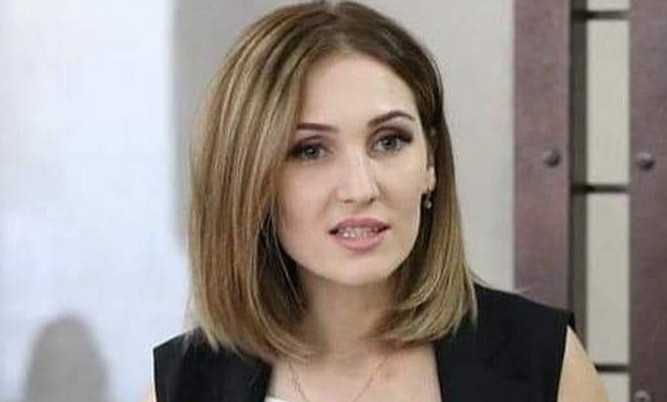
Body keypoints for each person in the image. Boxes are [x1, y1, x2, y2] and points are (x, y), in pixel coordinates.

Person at [147, 2, 608, 401]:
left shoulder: (542, 362)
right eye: (310, 150)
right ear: (248, 181)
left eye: (389, 141)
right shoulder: (183, 384)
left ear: (431, 163)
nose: (361, 187)